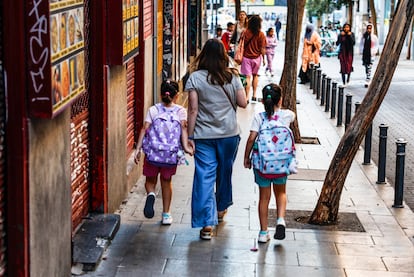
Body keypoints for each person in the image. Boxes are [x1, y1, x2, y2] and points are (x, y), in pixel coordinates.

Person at [185, 38, 248, 240]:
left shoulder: (195, 78)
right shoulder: (232, 77)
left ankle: (206, 225)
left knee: (204, 176)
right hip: (229, 135)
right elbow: (243, 103)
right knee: (225, 171)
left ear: (204, 55)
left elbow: (193, 110)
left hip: (204, 136)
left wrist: (190, 136)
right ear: (223, 56)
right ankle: (220, 209)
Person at [134, 80, 194, 225]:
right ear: (177, 95)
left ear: (161, 94)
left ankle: (152, 194)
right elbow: (184, 130)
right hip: (170, 155)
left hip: (152, 154)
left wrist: (137, 149)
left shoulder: (153, 110)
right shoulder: (180, 111)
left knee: (150, 181)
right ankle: (166, 214)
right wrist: (186, 147)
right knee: (166, 182)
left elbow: (144, 128)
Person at [243, 83, 295, 243]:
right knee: (281, 193)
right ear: (280, 100)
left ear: (263, 101)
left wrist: (246, 157)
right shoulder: (287, 115)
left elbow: (251, 138)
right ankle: (280, 219)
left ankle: (263, 232)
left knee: (264, 198)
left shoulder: (259, 117)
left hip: (263, 164)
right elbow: (291, 116)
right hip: (280, 163)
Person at [240, 15, 267, 102]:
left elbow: (241, 44)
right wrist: (264, 59)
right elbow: (262, 48)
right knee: (255, 76)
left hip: (246, 57)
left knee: (247, 77)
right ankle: (254, 95)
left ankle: (247, 97)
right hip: (257, 58)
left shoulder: (245, 32)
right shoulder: (261, 34)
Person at [359, 24, 378, 88]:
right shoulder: (364, 36)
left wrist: (374, 51)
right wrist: (361, 51)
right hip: (365, 54)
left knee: (369, 67)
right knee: (366, 67)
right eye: (368, 28)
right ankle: (368, 76)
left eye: (370, 28)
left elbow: (376, 45)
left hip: (371, 54)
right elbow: (361, 44)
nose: (369, 30)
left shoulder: (374, 37)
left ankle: (368, 80)